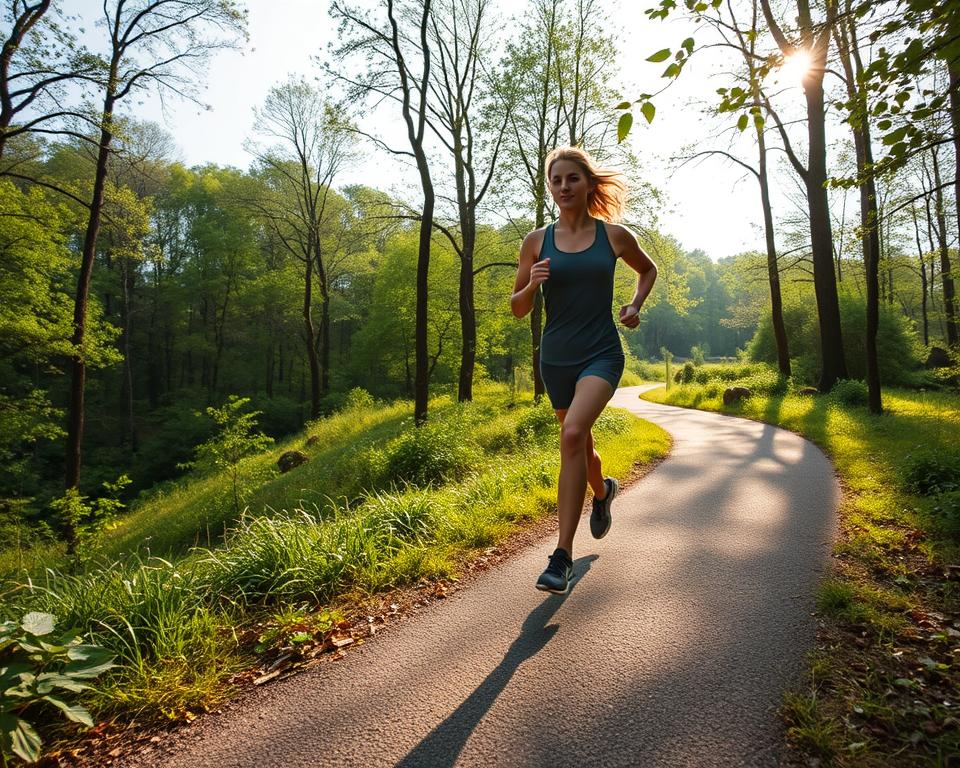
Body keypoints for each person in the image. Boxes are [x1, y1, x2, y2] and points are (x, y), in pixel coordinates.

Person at [510, 146, 658, 594]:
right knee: (582, 444)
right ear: (550, 187)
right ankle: (602, 491)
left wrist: (634, 305)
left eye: (572, 178)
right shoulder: (536, 241)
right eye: (556, 180)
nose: (563, 187)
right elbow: (517, 309)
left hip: (601, 354)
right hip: (556, 359)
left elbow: (647, 270)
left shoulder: (613, 236)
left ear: (588, 183)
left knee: (571, 436)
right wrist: (532, 285)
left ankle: (562, 557)